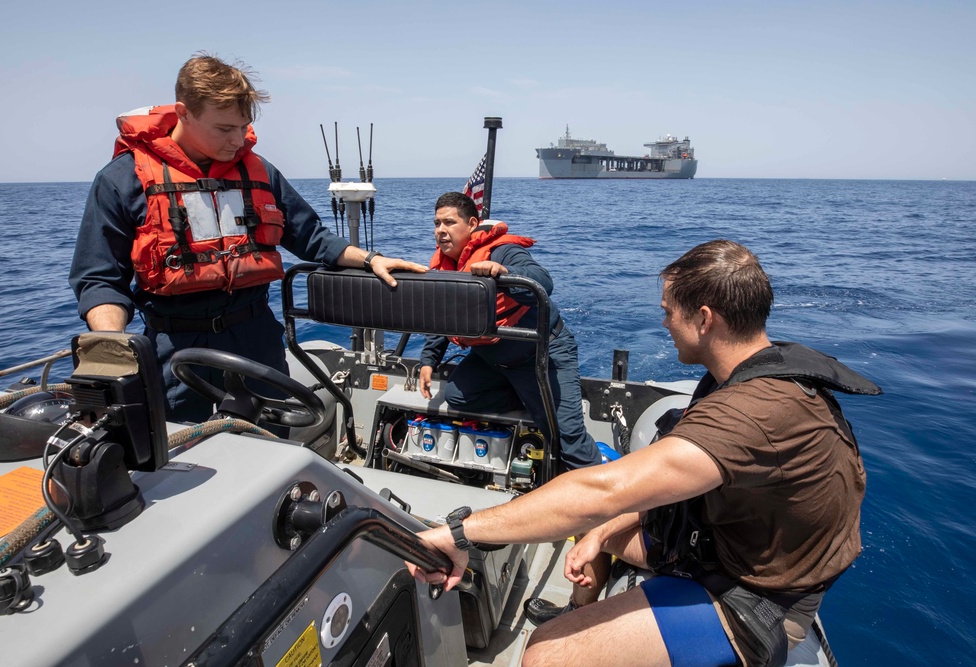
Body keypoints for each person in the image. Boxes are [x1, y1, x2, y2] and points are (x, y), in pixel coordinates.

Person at [408, 240, 881, 667]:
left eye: (669, 312)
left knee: (547, 653)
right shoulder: (748, 370)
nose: (663, 323)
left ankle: (576, 628)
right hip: (722, 543)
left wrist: (458, 535)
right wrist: (601, 533)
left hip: (753, 595)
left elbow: (599, 490)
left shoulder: (755, 412)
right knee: (594, 526)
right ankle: (579, 609)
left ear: (704, 318)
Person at [69, 53, 425, 423]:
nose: (238, 140)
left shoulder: (258, 171)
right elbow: (99, 278)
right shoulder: (122, 180)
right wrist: (113, 346)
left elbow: (310, 236)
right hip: (173, 345)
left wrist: (370, 259)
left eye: (243, 127)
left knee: (273, 441)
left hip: (255, 337)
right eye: (224, 129)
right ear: (183, 112)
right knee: (177, 455)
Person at [418, 192, 608, 620]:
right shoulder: (441, 266)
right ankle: (525, 397)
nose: (441, 230)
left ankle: (605, 514)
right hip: (491, 359)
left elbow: (541, 281)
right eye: (436, 223)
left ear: (472, 224)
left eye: (450, 222)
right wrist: (429, 360)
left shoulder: (501, 251)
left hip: (541, 353)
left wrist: (501, 273)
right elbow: (439, 313)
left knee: (569, 441)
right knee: (460, 398)